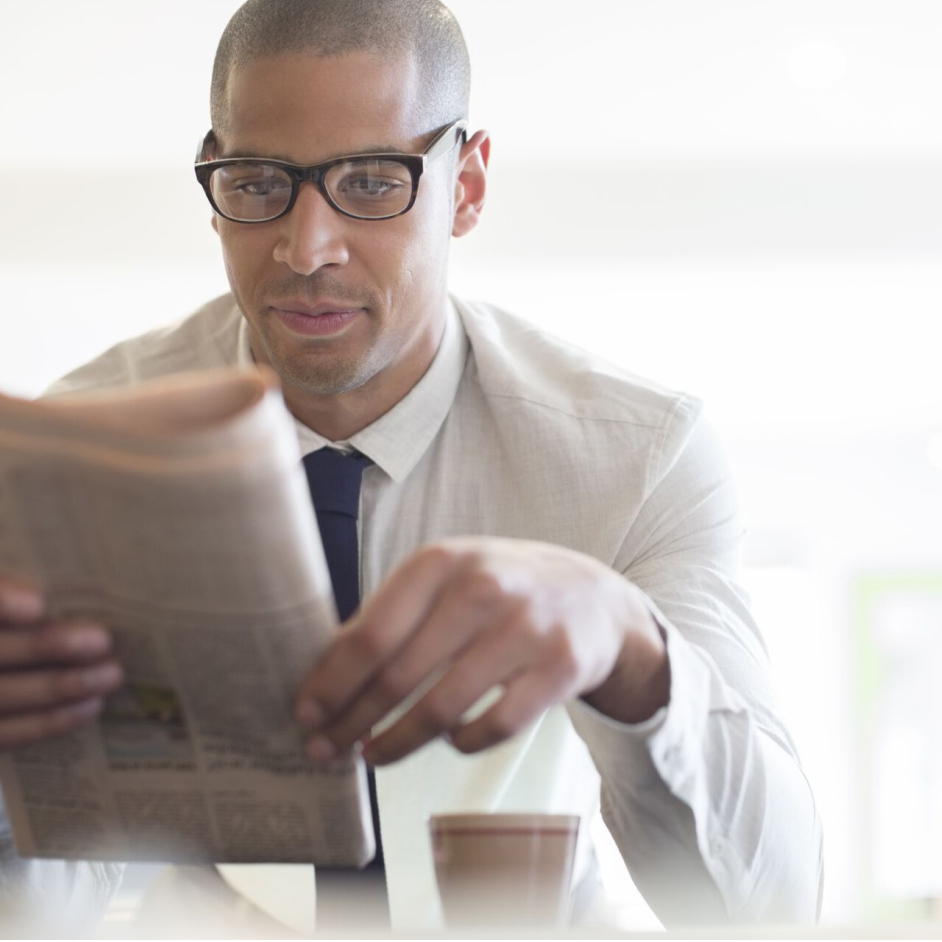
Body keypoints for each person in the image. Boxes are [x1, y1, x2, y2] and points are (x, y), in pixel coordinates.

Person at [0, 0, 824, 932]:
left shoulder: (635, 455)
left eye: (369, 179)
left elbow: (770, 908)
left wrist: (631, 649)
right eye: (260, 180)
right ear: (211, 174)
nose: (306, 249)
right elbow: (50, 894)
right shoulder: (78, 448)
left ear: (466, 186)